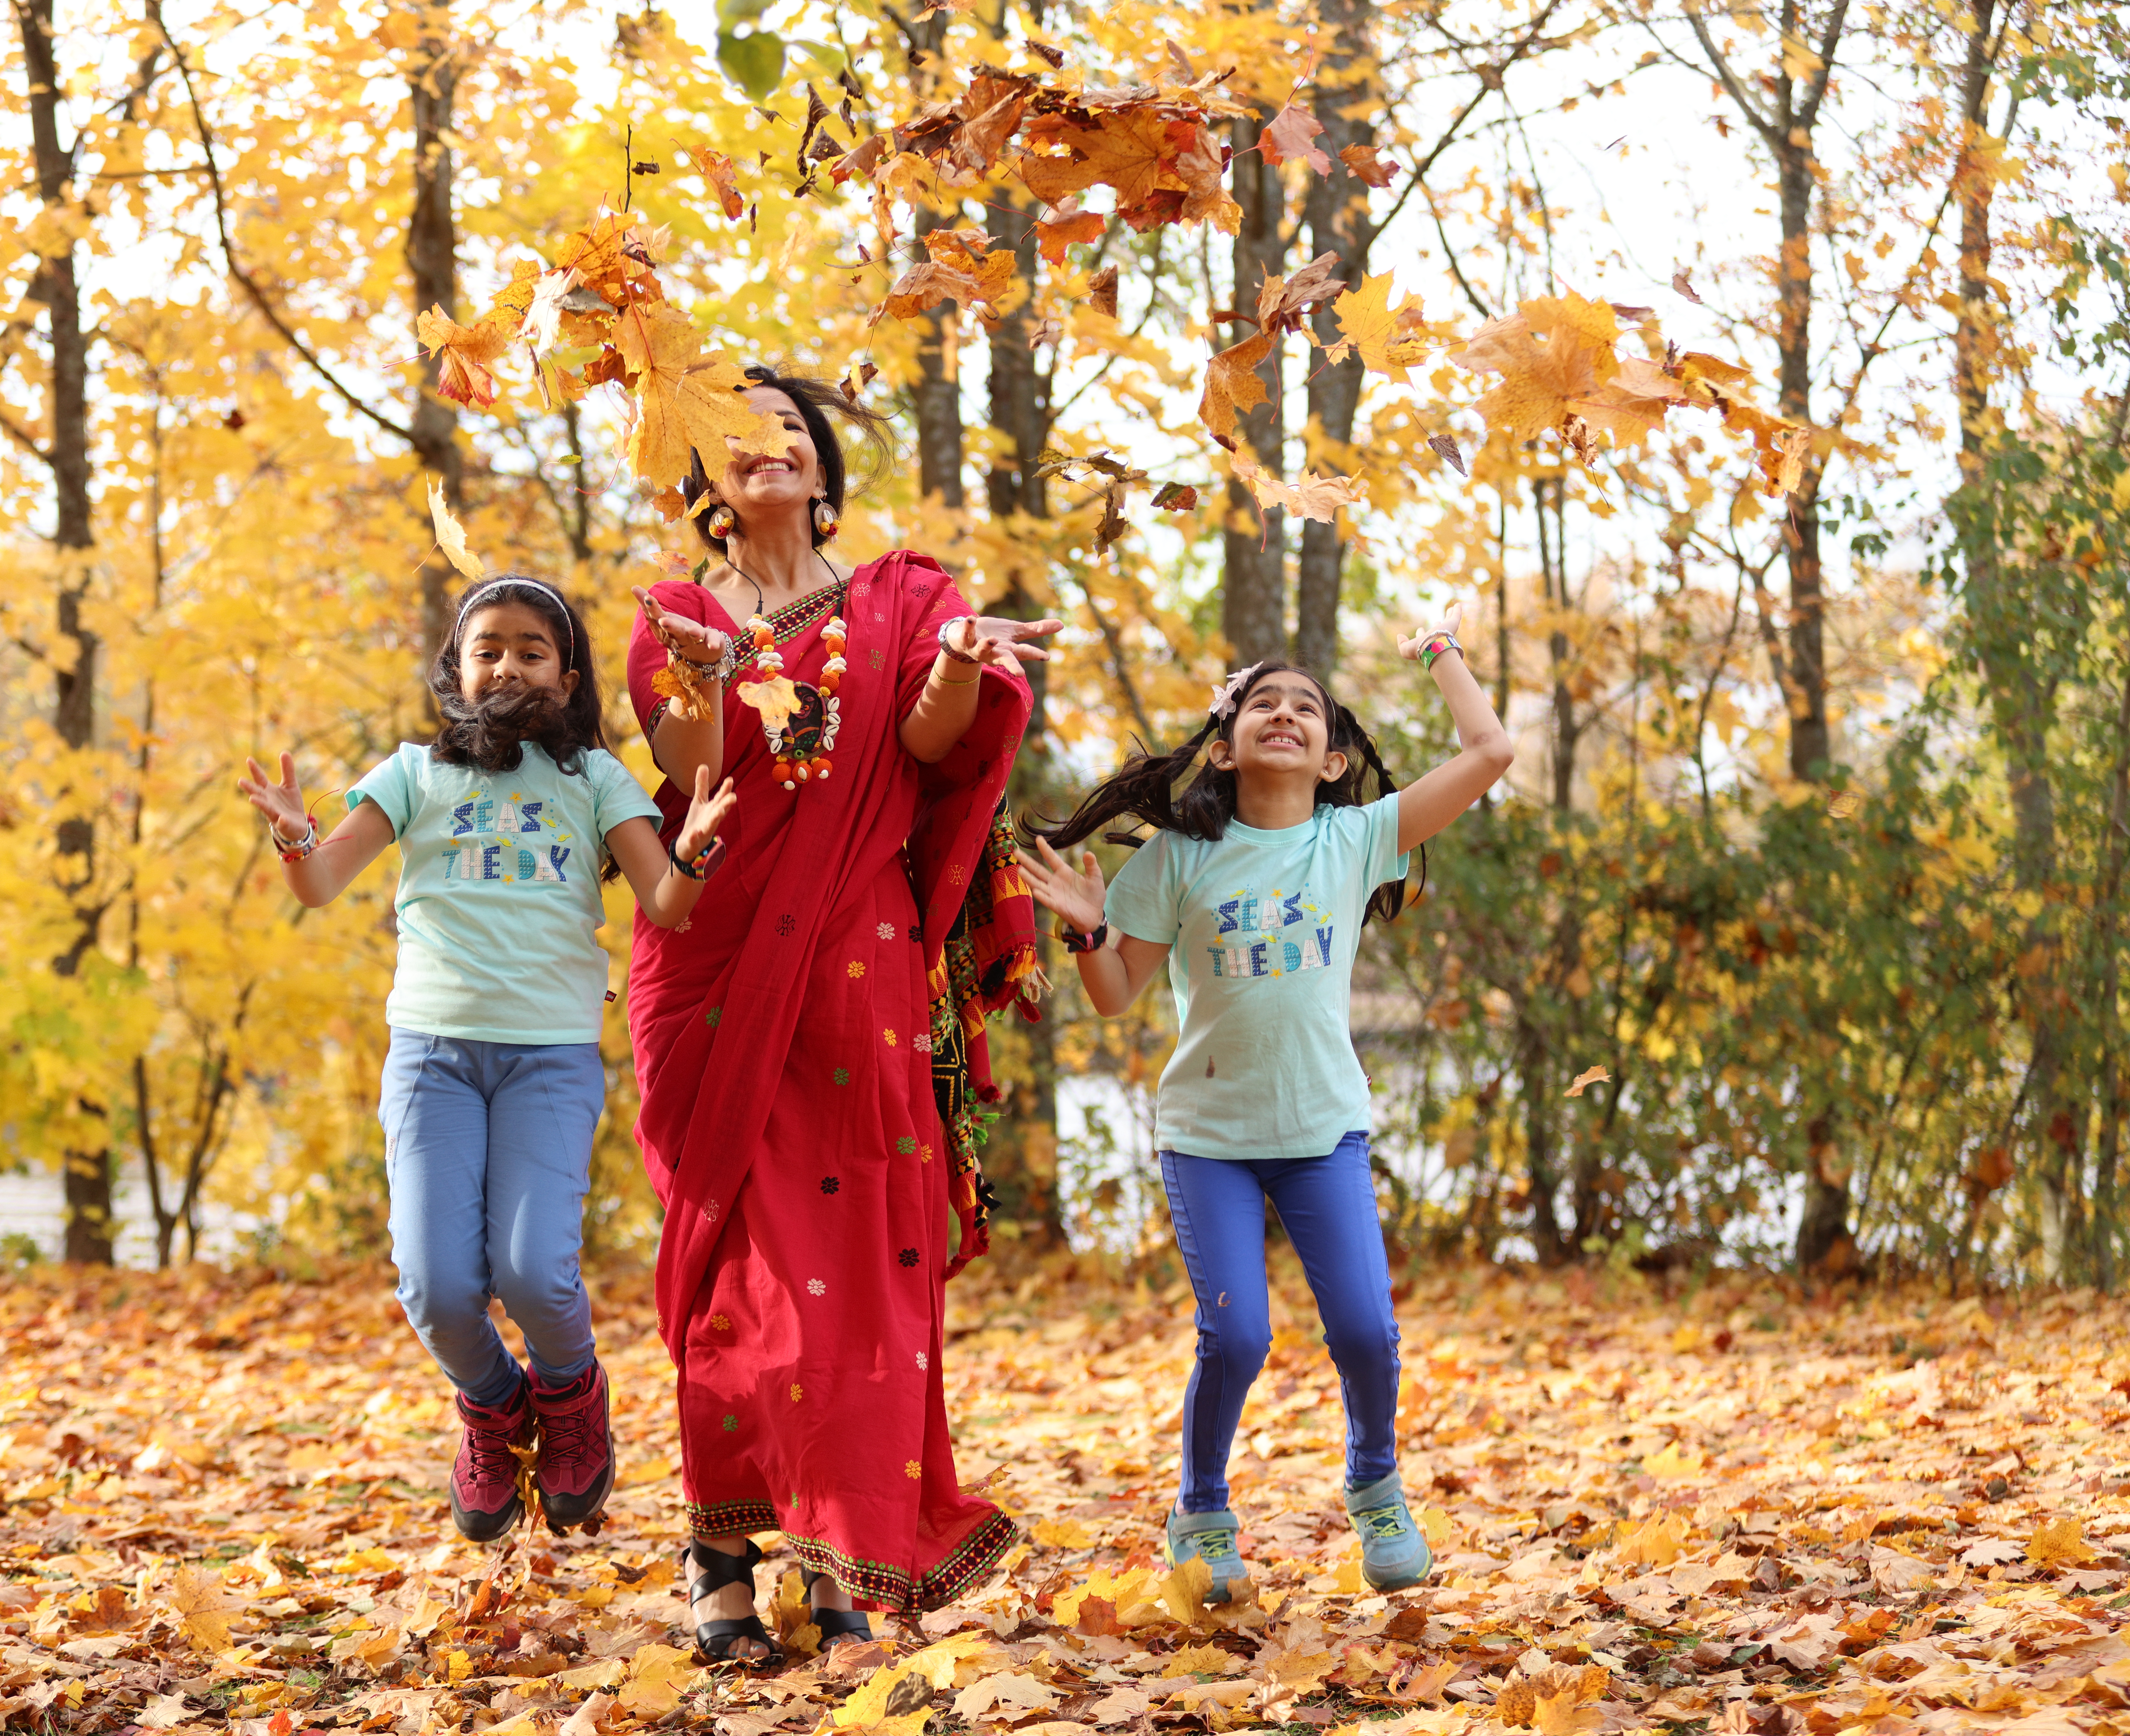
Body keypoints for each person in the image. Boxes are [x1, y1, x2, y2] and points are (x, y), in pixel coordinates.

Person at [623, 366, 1060, 1660]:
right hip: (709, 967)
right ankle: (718, 1547)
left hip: (855, 977)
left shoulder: (905, 598)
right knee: (731, 1279)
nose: (768, 447)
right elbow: (687, 770)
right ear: (703, 478)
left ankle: (822, 1551)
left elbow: (932, 745)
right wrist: (701, 685)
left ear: (822, 468)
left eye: (791, 431)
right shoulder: (676, 613)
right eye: (737, 436)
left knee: (847, 1274)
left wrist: (960, 670)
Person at [1013, 606, 1513, 1598]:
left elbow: (1492, 748)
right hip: (1208, 1140)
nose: (1285, 714)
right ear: (1229, 744)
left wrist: (1438, 649)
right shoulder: (1178, 859)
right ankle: (1201, 1513)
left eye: (1307, 709)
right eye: (1262, 704)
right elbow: (1115, 999)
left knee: (1368, 1331)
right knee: (1238, 1335)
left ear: (1332, 758)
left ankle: (1376, 1489)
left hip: (1322, 1131)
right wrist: (1083, 933)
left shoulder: (1358, 838)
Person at [237, 573, 736, 1543]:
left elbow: (668, 908)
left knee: (536, 1275)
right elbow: (323, 881)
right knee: (435, 1285)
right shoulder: (413, 775)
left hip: (547, 1061)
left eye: (531, 650)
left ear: (569, 675)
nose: (507, 663)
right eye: (488, 649)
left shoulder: (595, 781)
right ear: (457, 671)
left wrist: (699, 851)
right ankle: (493, 1406)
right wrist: (298, 835)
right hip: (433, 1059)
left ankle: (572, 1393)